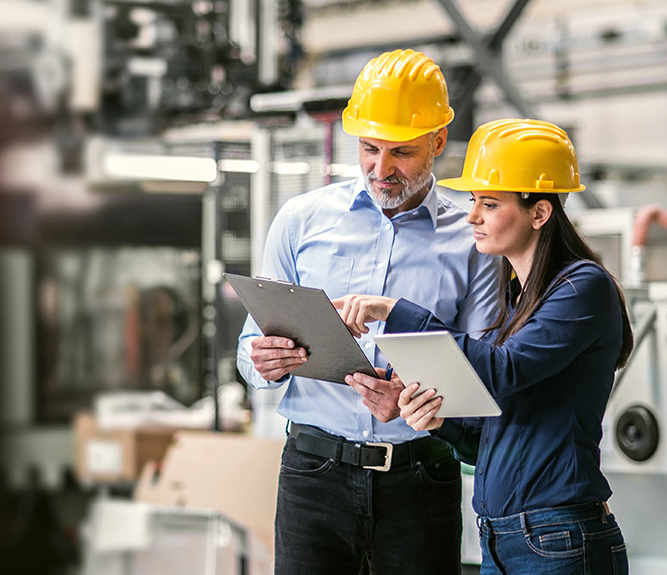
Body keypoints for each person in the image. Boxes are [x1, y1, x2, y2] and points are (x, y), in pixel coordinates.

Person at [236, 49, 501, 575]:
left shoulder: (472, 238)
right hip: (313, 473)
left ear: (439, 142)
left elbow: (485, 374)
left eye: (401, 151)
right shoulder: (300, 220)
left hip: (420, 476)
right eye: (369, 148)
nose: (381, 170)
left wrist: (413, 397)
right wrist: (260, 361)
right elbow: (248, 350)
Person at [334, 118, 634, 575]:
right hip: (504, 538)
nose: (472, 215)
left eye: (490, 203)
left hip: (558, 538)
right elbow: (490, 435)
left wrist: (394, 310)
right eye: (474, 201)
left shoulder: (582, 288)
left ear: (540, 212)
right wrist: (438, 420)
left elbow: (502, 370)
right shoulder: (517, 299)